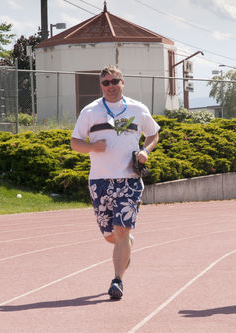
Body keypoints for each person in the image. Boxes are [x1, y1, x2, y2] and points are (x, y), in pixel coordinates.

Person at [71, 65, 160, 300]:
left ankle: (117, 281)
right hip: (99, 180)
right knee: (110, 235)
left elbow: (153, 134)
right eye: (105, 83)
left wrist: (145, 151)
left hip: (129, 179)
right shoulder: (90, 111)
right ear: (101, 86)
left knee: (121, 230)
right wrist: (91, 147)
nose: (110, 86)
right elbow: (75, 143)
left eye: (115, 81)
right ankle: (126, 244)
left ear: (123, 83)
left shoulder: (137, 109)